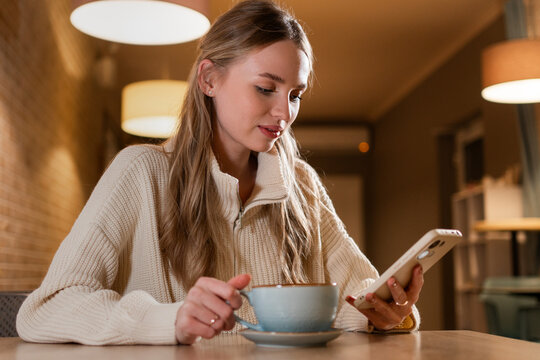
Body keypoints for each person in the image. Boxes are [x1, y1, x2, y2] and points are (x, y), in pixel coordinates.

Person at [16, 0, 423, 345]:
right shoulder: (140, 172)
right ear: (209, 78)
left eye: (295, 95)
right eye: (266, 88)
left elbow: (361, 294)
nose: (284, 113)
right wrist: (168, 319)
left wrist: (388, 312)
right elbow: (45, 309)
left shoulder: (301, 184)